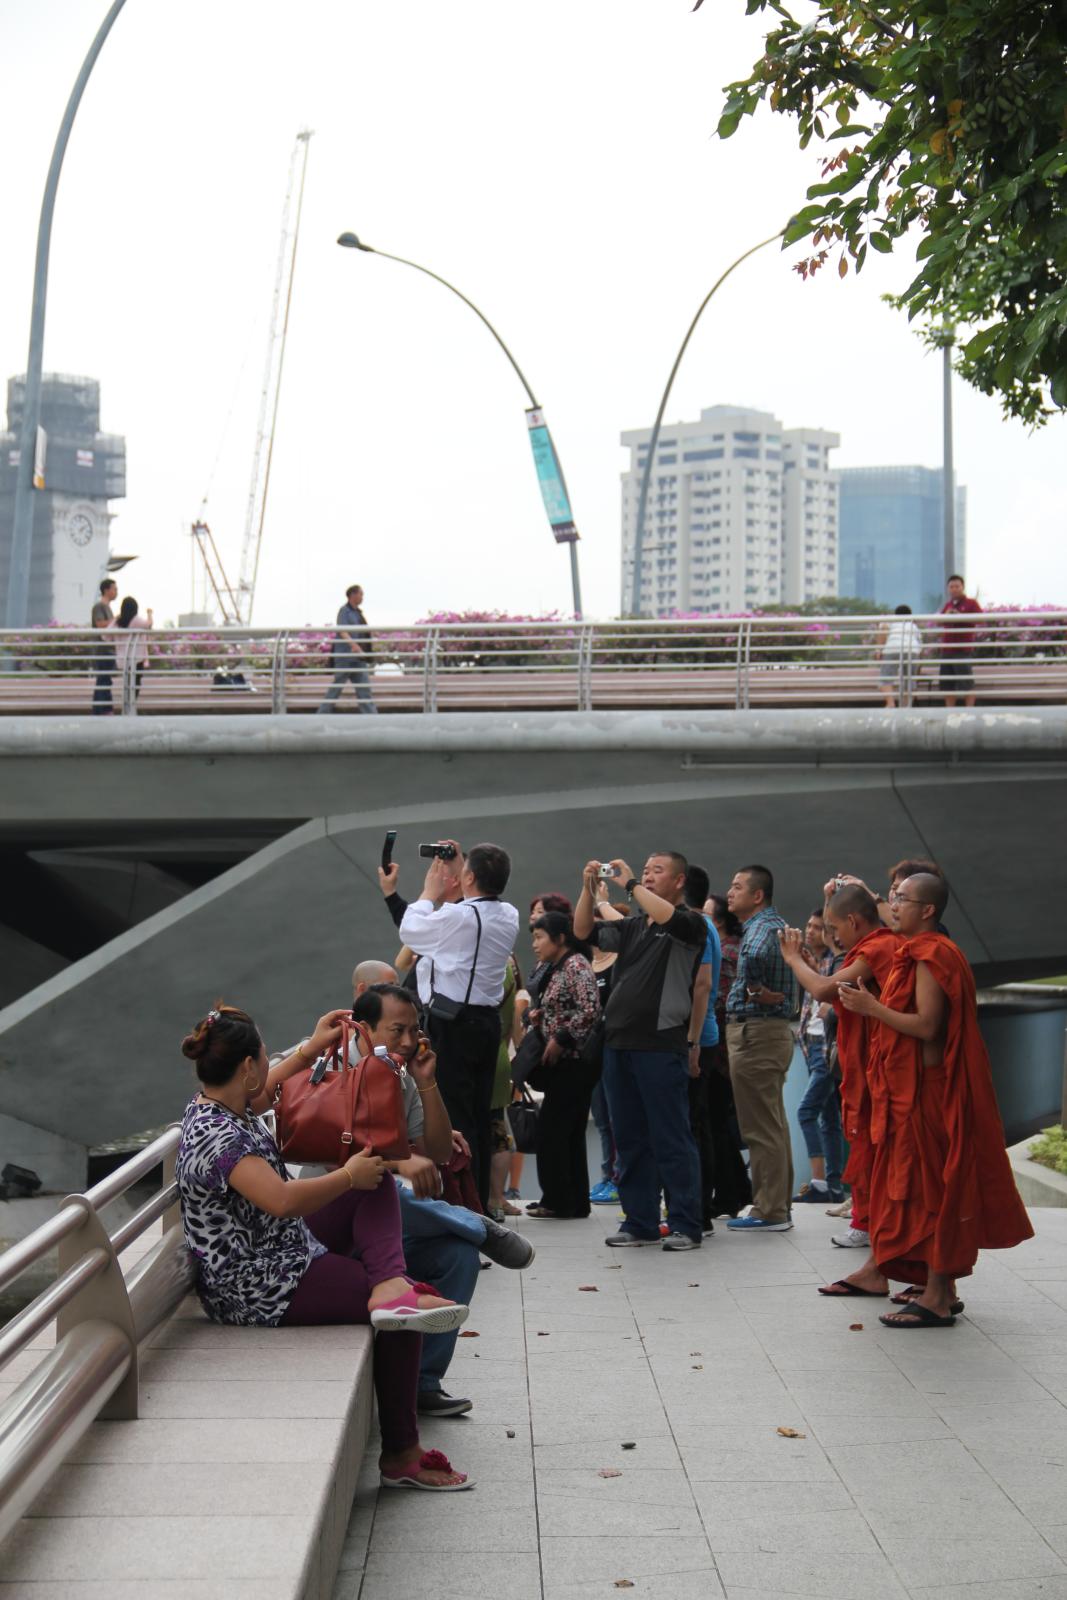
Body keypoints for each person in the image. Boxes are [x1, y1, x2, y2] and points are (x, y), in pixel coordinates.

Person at [175, 1002, 472, 1491]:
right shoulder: (218, 1135)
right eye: (265, 1057)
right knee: (406, 1312)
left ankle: (389, 1280)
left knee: (372, 1179)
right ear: (247, 1066)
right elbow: (283, 1199)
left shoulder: (222, 1105)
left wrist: (311, 1049)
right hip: (257, 1284)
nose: (272, 1065)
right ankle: (402, 1452)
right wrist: (345, 1175)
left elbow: (271, 1088)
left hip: (280, 1250)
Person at [838, 874, 1034, 1326]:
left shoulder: (931, 955)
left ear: (927, 910)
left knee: (930, 1191)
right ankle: (936, 1286)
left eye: (902, 900)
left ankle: (939, 1296)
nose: (893, 906)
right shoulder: (913, 952)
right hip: (911, 1089)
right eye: (891, 898)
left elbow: (927, 1026)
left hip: (926, 1093)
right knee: (921, 1189)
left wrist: (872, 1009)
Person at [349, 983, 534, 1416]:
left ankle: (423, 1384)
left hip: (390, 1234)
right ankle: (474, 1222)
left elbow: (434, 1152)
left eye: (416, 1030)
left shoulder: (399, 1074)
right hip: (341, 1229)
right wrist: (397, 1164)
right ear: (363, 1029)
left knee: (459, 1257)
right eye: (397, 1031)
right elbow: (336, 1163)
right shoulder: (333, 1072)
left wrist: (427, 1083)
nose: (410, 1042)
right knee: (385, 1186)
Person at [574, 851, 705, 1251]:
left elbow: (668, 918)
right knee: (629, 1138)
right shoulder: (633, 927)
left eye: (656, 871)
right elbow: (583, 932)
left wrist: (629, 884)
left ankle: (684, 1223)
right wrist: (587, 891)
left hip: (660, 1044)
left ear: (679, 880)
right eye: (644, 871)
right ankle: (640, 1220)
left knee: (671, 1136)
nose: (647, 876)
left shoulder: (689, 924)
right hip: (619, 1043)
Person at [779, 884, 901, 1281]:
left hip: (878, 1065)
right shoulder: (871, 947)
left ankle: (875, 1227)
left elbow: (820, 989)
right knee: (860, 1139)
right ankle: (868, 1222)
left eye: (834, 927)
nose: (834, 936)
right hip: (861, 1063)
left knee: (873, 1145)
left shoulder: (880, 946)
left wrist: (794, 958)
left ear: (853, 921)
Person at [399, 840, 519, 1205]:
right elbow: (474, 901)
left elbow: (411, 932)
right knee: (480, 1120)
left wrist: (427, 892)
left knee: (454, 1123)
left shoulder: (459, 917)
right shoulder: (509, 914)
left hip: (454, 1023)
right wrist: (462, 864)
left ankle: (461, 1209)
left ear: (468, 876)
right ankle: (479, 1207)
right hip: (487, 1023)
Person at [723, 864, 798, 1233]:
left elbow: (751, 956)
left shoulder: (762, 926)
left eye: (737, 887)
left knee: (760, 1126)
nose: (729, 892)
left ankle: (770, 1210)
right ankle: (777, 1203)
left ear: (757, 895)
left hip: (756, 1033)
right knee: (773, 1123)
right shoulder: (770, 925)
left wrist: (752, 989)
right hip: (768, 1032)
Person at [523, 913, 602, 1220]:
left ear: (560, 938)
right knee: (565, 1132)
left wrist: (562, 1037)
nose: (535, 944)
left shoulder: (576, 965)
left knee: (556, 1131)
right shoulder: (554, 967)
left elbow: (591, 1009)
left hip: (574, 1063)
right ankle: (571, 1200)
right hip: (561, 1064)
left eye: (540, 937)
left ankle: (559, 1200)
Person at [790, 909, 846, 1206]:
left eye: (817, 927)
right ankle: (833, 1185)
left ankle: (821, 1182)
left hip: (826, 1049)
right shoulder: (821, 964)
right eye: (808, 926)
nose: (810, 931)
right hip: (813, 1047)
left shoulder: (837, 961)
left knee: (806, 1112)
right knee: (829, 1118)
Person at [702, 895, 753, 1219]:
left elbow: (719, 1001)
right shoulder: (730, 946)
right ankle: (735, 1190)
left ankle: (730, 1193)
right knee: (718, 1125)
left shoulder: (727, 950)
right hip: (725, 1050)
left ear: (716, 920)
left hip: (719, 1052)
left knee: (713, 1125)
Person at [682, 866, 721, 1236]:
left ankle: (698, 1210)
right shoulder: (699, 924)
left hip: (698, 1038)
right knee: (696, 1126)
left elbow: (702, 984)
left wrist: (692, 1042)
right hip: (698, 1036)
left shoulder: (696, 927)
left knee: (691, 1127)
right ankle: (696, 1206)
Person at [317, 583, 377, 714]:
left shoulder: (358, 613)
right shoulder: (344, 611)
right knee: (337, 688)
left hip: (358, 658)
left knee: (364, 689)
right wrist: (354, 646)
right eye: (361, 594)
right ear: (353, 595)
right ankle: (321, 714)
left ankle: (372, 718)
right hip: (345, 657)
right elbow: (342, 630)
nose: (362, 597)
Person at [939, 574, 983, 709]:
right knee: (947, 683)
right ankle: (949, 711)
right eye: (951, 587)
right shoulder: (947, 605)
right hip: (947, 650)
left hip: (962, 650)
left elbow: (981, 619)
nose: (954, 589)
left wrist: (961, 616)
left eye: (957, 586)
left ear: (962, 587)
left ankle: (969, 711)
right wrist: (946, 616)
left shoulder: (971, 603)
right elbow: (939, 621)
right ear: (948, 589)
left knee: (966, 682)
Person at [876, 604, 923, 709]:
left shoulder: (891, 620)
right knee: (910, 680)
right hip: (912, 649)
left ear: (895, 614)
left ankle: (890, 703)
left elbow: (883, 629)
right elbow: (920, 646)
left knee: (885, 678)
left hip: (892, 648)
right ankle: (907, 706)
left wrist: (879, 650)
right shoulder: (913, 626)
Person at [108, 597, 153, 703]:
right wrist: (150, 613)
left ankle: (127, 707)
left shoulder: (118, 621)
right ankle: (130, 706)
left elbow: (105, 635)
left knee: (127, 684)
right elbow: (149, 624)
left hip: (122, 659)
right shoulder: (136, 620)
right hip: (136, 658)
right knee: (135, 683)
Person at [90, 577, 118, 715]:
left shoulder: (107, 608)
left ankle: (104, 708)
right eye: (114, 589)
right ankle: (101, 710)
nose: (116, 592)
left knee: (105, 680)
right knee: (103, 680)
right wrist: (116, 620)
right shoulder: (99, 607)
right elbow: (100, 624)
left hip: (108, 650)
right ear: (106, 590)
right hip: (103, 650)